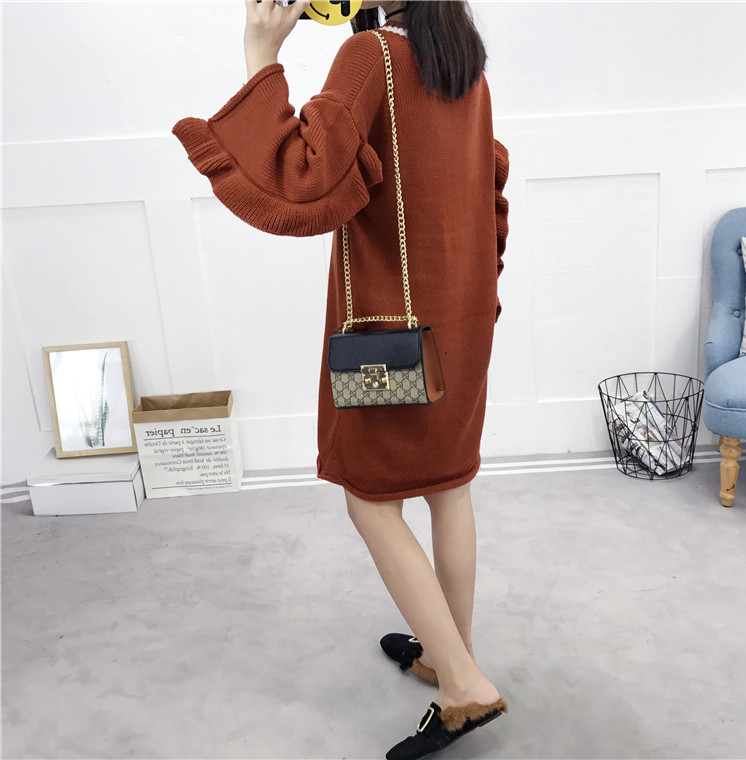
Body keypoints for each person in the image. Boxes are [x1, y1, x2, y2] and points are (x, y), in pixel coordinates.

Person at [172, 1, 510, 756]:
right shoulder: (464, 63)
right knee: (449, 488)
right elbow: (480, 188)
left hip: (391, 335)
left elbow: (301, 182)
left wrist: (262, 53)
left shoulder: (373, 57)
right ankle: (445, 655)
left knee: (370, 499)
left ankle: (465, 687)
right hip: (462, 319)